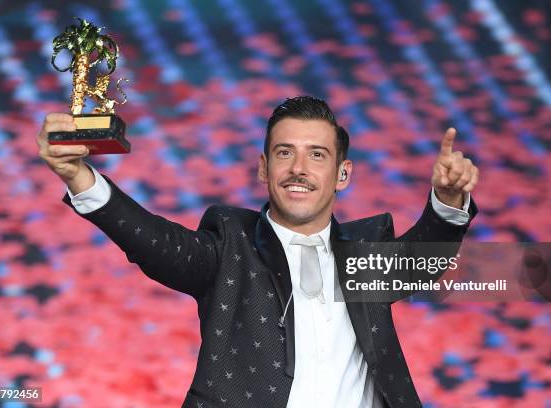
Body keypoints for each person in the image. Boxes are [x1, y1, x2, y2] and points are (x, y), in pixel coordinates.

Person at [37, 96, 478, 408]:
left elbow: (422, 264)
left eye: (317, 156)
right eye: (284, 153)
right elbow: (157, 243)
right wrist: (80, 178)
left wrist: (448, 200)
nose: (299, 169)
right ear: (264, 168)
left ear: (343, 174)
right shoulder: (229, 247)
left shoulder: (366, 257)